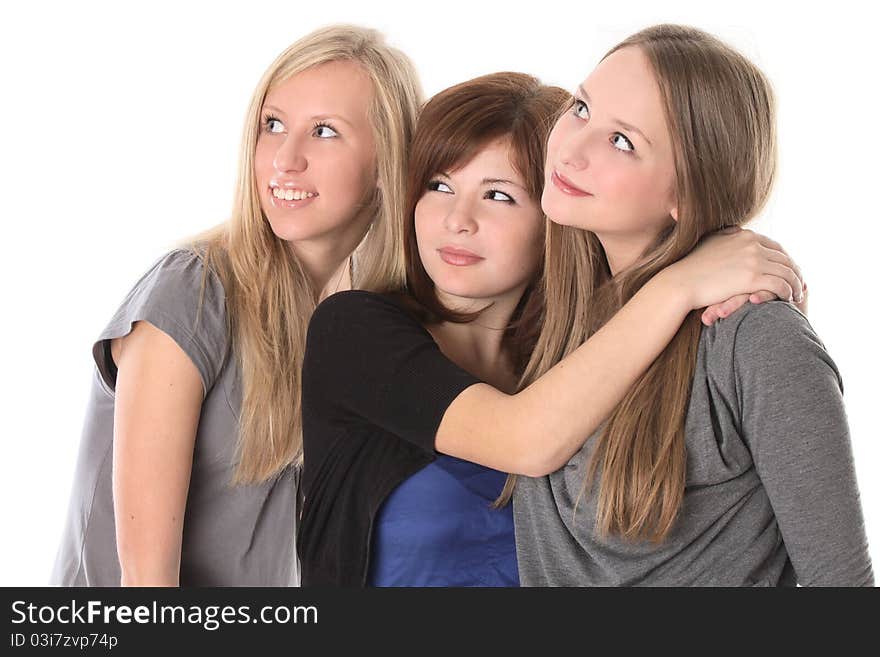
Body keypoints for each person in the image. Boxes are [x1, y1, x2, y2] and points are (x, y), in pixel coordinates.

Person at [298, 71, 805, 586]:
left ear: (554, 212)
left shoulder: (588, 355)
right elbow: (524, 440)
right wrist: (680, 285)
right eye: (439, 186)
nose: (457, 220)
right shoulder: (352, 333)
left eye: (498, 196)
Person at [51, 24, 422, 586]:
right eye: (272, 125)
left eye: (323, 131)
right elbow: (146, 585)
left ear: (387, 162)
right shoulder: (193, 289)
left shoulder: (357, 323)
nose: (285, 160)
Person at [508, 24, 874, 586]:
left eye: (622, 141)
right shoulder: (553, 315)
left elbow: (841, 584)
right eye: (581, 107)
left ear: (689, 190)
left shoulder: (755, 340)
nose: (572, 149)